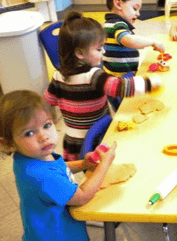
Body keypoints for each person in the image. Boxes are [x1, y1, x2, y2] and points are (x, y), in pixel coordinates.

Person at [0, 90, 117, 241]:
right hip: (59, 235)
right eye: (29, 133)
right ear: (9, 143)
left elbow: (57, 166)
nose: (44, 136)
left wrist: (83, 163)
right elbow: (81, 196)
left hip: (42, 230)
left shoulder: (29, 156)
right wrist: (104, 164)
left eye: (47, 125)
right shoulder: (42, 177)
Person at [44, 11, 162, 161]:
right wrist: (150, 83)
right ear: (80, 53)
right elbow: (120, 87)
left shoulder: (57, 76)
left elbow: (49, 101)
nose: (104, 51)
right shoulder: (94, 76)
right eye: (99, 49)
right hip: (94, 139)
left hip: (72, 141)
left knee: (85, 173)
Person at [103, 0, 165, 77]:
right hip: (121, 80)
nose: (138, 14)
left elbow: (128, 45)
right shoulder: (117, 25)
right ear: (118, 4)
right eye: (135, 8)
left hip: (115, 76)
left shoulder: (109, 23)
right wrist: (152, 42)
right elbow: (128, 40)